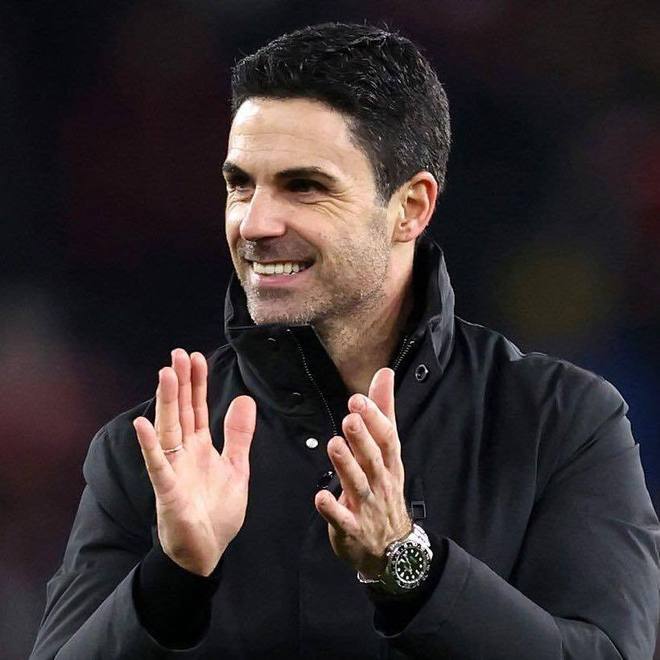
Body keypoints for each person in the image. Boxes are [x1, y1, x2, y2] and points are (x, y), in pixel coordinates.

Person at [31, 22, 659, 660]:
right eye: (240, 183)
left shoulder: (559, 422)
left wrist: (409, 567)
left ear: (410, 207)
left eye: (304, 187)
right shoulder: (148, 452)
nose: (253, 222)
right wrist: (172, 577)